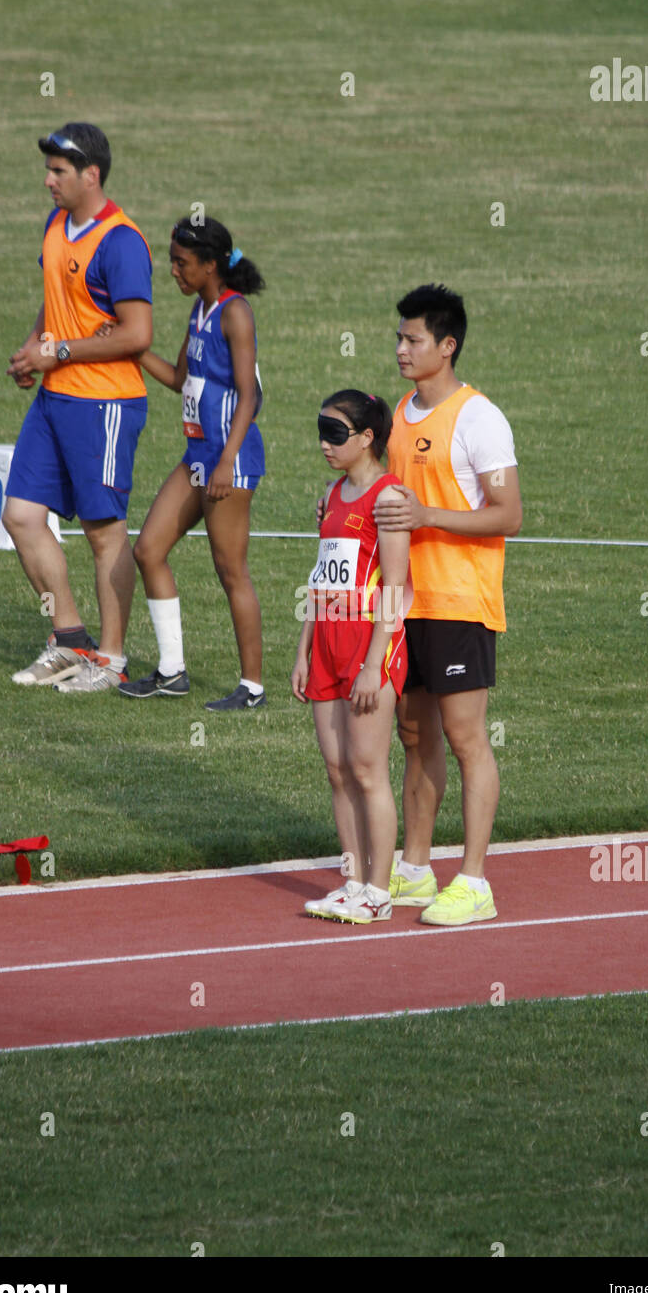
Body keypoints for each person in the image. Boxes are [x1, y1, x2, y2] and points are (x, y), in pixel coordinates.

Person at [373, 284, 523, 925]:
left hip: (461, 602)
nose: (402, 349)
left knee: (466, 741)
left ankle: (474, 880)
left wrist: (428, 513)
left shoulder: (478, 417)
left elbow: (509, 514)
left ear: (447, 346)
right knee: (414, 737)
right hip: (407, 606)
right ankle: (414, 868)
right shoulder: (400, 415)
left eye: (414, 340)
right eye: (400, 338)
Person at [3, 122, 153, 692]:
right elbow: (57, 300)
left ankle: (110, 661)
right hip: (54, 398)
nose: (48, 181)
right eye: (48, 170)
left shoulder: (120, 242)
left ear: (91, 174)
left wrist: (57, 351)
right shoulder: (57, 224)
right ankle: (68, 639)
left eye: (59, 172)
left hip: (104, 404)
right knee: (19, 516)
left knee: (102, 532)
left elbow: (138, 333)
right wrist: (33, 346)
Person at [117, 217, 266, 710]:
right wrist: (130, 349)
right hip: (197, 456)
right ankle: (171, 671)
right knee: (148, 550)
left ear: (209, 265)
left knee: (230, 569)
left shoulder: (234, 313)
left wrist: (226, 462)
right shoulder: (198, 313)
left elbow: (250, 395)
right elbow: (181, 378)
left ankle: (252, 688)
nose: (174, 271)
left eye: (182, 263)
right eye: (172, 261)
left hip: (229, 459)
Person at [292, 391, 410, 923]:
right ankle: (353, 881)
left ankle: (380, 891)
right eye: (321, 430)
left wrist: (372, 662)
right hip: (327, 644)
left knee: (367, 770)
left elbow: (396, 588)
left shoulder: (387, 498)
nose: (325, 443)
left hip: (370, 645)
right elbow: (322, 578)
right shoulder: (333, 494)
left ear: (367, 438)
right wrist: (303, 650)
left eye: (336, 433)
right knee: (338, 771)